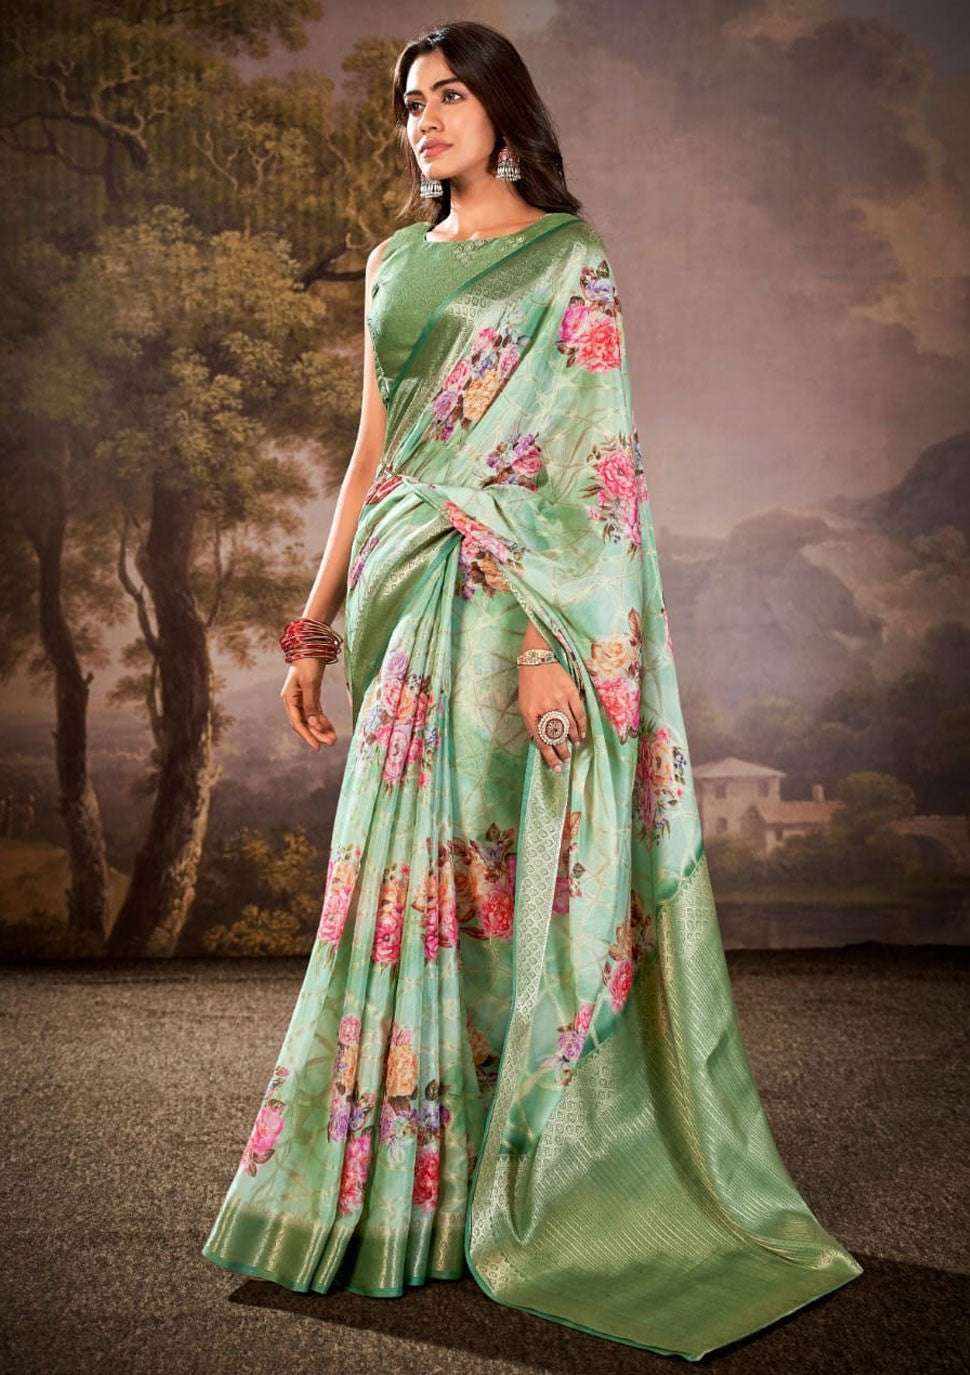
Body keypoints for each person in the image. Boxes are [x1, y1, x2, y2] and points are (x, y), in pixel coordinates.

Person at [201, 19, 862, 1361]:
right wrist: (313, 626)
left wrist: (560, 646)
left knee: (503, 884)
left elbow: (591, 465)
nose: (426, 120)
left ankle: (528, 1174)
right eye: (410, 104)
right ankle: (404, 1193)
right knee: (407, 882)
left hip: (521, 613)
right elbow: (374, 450)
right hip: (408, 600)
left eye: (450, 96)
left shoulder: (570, 261)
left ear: (504, 112)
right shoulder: (395, 264)